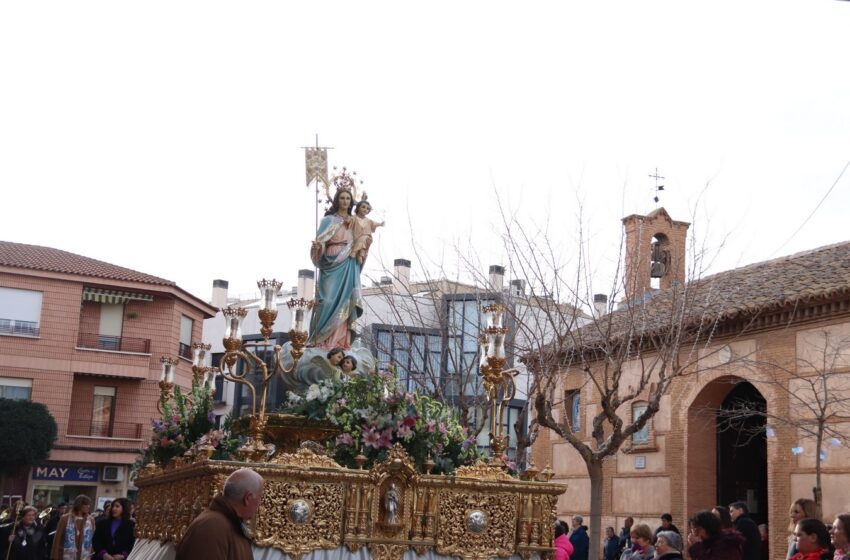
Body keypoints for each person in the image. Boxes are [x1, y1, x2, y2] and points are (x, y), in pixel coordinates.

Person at [308, 188, 364, 350]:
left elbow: (364, 238)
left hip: (349, 262)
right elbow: (320, 241)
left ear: (351, 201)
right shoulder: (328, 220)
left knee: (347, 301)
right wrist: (318, 247)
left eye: (348, 198)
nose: (345, 201)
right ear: (337, 200)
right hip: (331, 263)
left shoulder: (355, 221)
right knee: (327, 301)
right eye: (342, 198)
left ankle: (340, 342)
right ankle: (320, 339)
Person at [175, 468, 264, 560]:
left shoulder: (231, 524)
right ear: (248, 498)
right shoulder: (210, 527)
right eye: (259, 498)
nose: (259, 505)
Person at [50, 494, 94, 560]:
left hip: (84, 556)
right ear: (79, 505)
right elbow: (57, 539)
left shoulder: (91, 520)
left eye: (89, 504)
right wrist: (55, 556)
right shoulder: (65, 518)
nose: (88, 506)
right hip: (66, 555)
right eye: (86, 504)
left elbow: (92, 539)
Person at [351, 198, 384, 265]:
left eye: (367, 208)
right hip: (355, 237)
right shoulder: (354, 217)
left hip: (366, 238)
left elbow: (374, 224)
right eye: (363, 207)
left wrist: (380, 224)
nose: (365, 209)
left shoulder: (368, 221)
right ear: (358, 208)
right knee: (362, 240)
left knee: (366, 239)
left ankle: (360, 254)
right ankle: (356, 252)